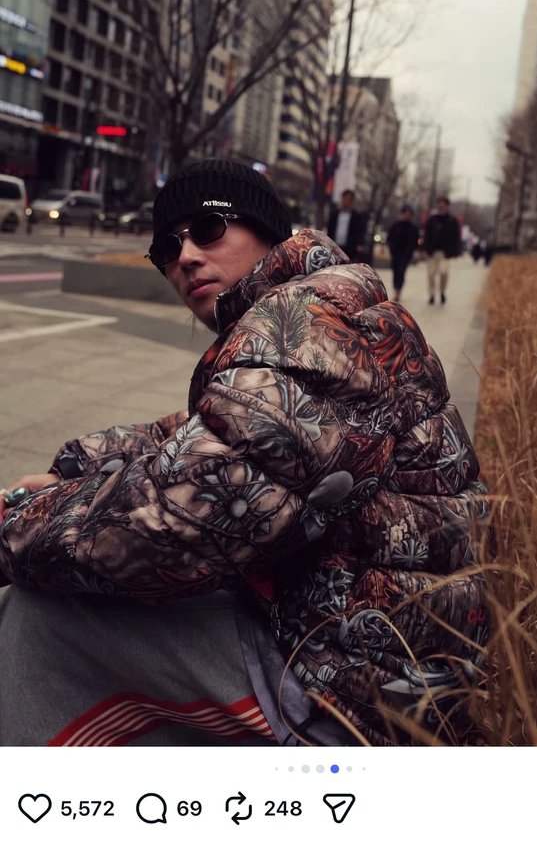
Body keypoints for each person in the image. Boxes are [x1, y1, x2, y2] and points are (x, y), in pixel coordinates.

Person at [0, 158, 489, 747]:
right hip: (375, 650)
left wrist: (13, 529)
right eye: (166, 248)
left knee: (43, 620)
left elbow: (178, 520)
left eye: (207, 230)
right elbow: (208, 434)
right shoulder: (318, 304)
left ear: (265, 230)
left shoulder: (304, 325)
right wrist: (78, 464)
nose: (185, 257)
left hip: (357, 695)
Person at [423, 197, 462, 305]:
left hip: (445, 253)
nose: (441, 206)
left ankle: (442, 291)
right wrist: (425, 249)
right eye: (439, 203)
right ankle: (432, 294)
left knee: (444, 272)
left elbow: (456, 237)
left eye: (443, 204)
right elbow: (426, 235)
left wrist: (455, 251)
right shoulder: (432, 219)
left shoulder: (452, 220)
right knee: (431, 274)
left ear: (447, 206)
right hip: (432, 252)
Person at [386, 204, 420, 302]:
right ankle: (396, 288)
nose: (407, 216)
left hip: (406, 254)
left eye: (409, 214)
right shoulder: (395, 226)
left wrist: (412, 251)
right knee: (396, 271)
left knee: (401, 271)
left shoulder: (413, 228)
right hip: (395, 253)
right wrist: (391, 249)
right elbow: (390, 238)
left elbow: (415, 242)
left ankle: (398, 290)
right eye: (405, 213)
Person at [326, 188, 367, 262]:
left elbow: (360, 231)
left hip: (349, 248)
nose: (345, 201)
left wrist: (359, 245)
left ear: (352, 201)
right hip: (335, 246)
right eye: (344, 199)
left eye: (348, 199)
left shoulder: (356, 216)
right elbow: (330, 229)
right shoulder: (335, 214)